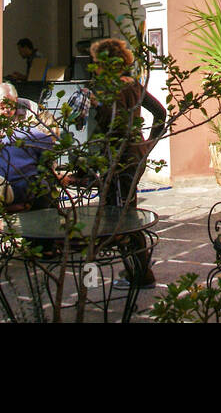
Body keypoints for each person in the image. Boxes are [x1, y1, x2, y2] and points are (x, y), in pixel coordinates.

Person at [87, 37, 166, 289]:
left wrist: (96, 105)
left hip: (118, 158)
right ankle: (134, 270)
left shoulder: (109, 89)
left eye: (97, 62)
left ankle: (141, 274)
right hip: (133, 154)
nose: (95, 66)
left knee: (123, 216)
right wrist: (148, 145)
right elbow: (160, 113)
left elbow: (111, 123)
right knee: (122, 212)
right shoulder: (132, 85)